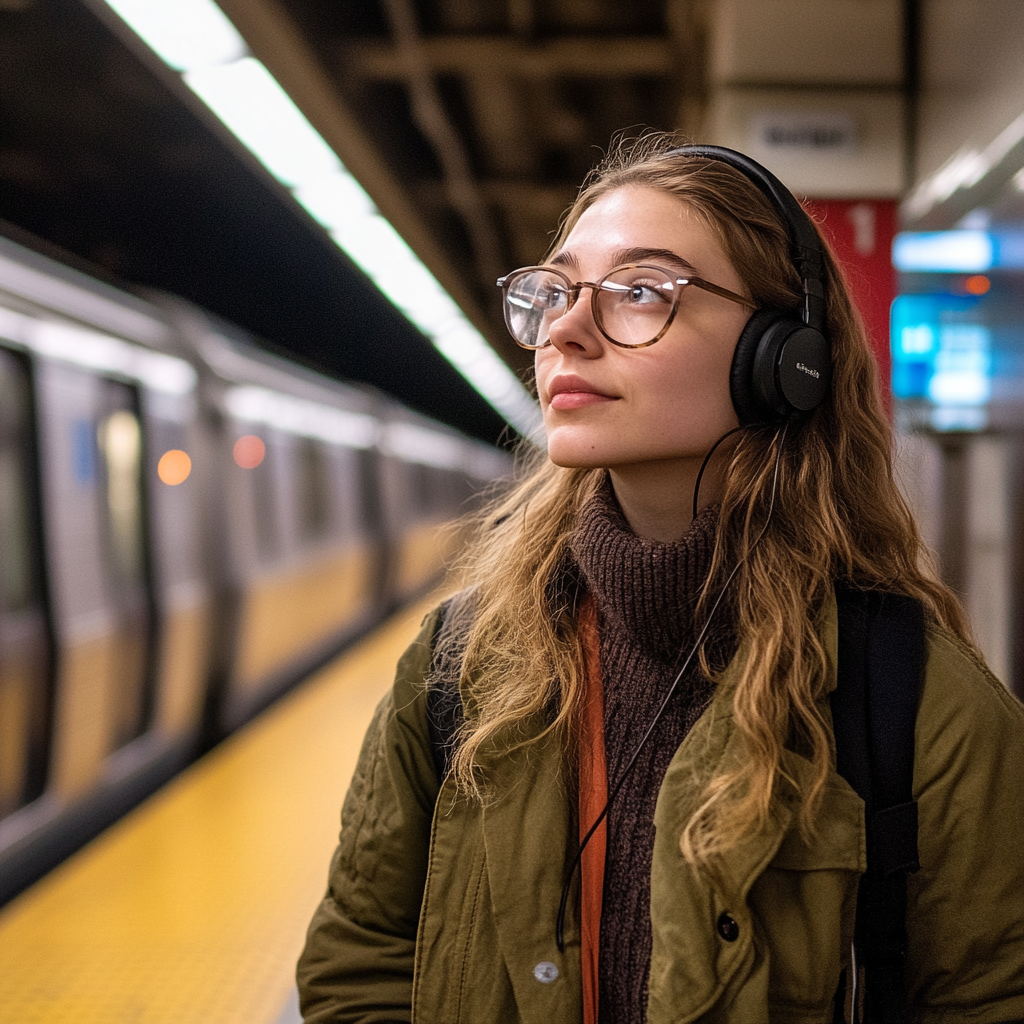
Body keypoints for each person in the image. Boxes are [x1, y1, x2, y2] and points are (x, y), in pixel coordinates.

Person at [297, 137, 1024, 1024]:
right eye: (556, 292)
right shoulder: (460, 665)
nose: (565, 330)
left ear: (783, 361)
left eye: (640, 291)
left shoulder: (912, 700)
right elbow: (358, 962)